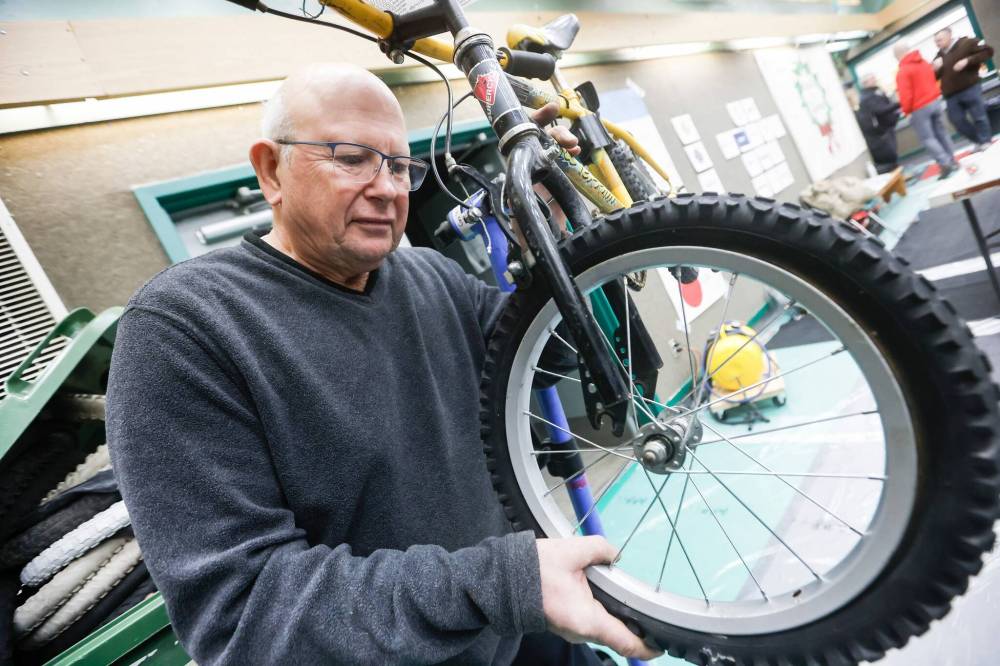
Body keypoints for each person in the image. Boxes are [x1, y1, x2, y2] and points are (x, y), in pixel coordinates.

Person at [105, 63, 662, 666]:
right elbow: (246, 615)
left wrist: (556, 245)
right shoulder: (185, 330)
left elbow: (547, 359)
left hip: (518, 627)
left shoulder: (430, 276)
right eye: (352, 157)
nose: (389, 188)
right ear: (271, 171)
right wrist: (499, 582)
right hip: (488, 607)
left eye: (400, 166)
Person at [894, 41, 959, 178]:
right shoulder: (923, 63)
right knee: (942, 133)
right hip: (935, 102)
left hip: (919, 108)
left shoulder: (903, 71)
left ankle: (944, 163)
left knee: (928, 138)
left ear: (898, 55)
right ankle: (952, 160)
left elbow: (906, 95)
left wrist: (907, 112)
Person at [933, 27, 995, 152]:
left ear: (949, 35)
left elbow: (988, 52)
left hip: (970, 87)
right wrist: (935, 69)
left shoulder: (967, 43)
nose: (937, 44)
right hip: (951, 94)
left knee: (979, 116)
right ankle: (979, 140)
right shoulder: (939, 56)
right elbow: (934, 78)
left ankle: (985, 141)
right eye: (936, 42)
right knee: (956, 120)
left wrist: (968, 61)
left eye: (940, 40)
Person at [855, 74, 902, 173]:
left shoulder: (875, 92)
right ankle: (897, 175)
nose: (875, 80)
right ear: (865, 83)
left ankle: (898, 174)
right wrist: (897, 104)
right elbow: (879, 110)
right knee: (890, 154)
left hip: (886, 127)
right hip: (881, 131)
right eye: (872, 79)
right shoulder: (867, 96)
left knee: (893, 152)